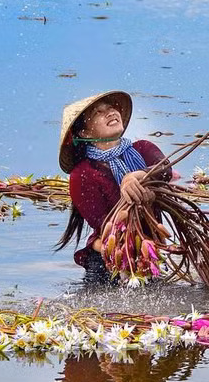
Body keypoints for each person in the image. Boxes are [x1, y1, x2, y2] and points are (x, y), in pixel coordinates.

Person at [55, 90, 173, 285]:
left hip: (150, 252)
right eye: (98, 113)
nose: (109, 112)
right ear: (84, 133)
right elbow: (106, 223)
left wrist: (138, 176)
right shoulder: (82, 174)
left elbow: (165, 170)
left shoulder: (143, 149)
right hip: (109, 259)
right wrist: (131, 196)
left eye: (110, 108)